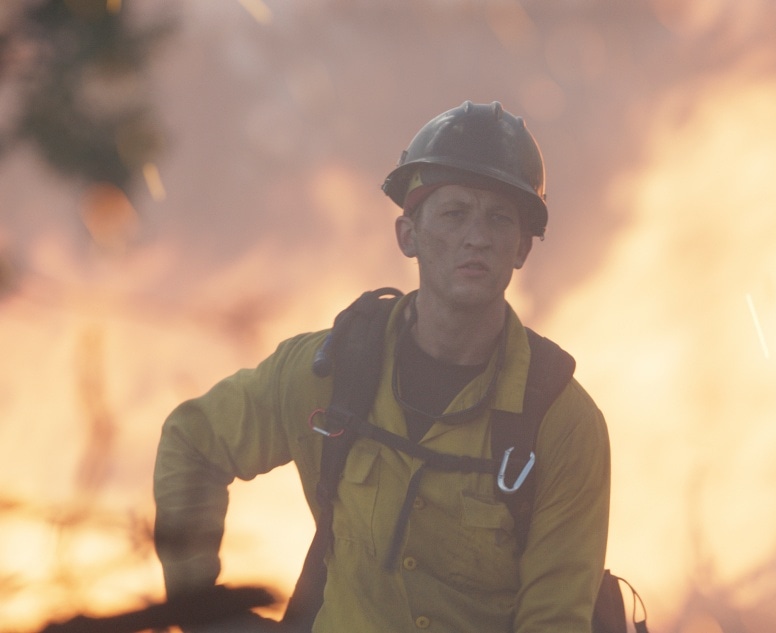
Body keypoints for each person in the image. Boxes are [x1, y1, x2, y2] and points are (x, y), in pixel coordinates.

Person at [153, 101, 611, 632]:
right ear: (407, 236)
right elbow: (194, 439)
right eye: (454, 212)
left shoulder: (560, 424)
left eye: (499, 217)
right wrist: (201, 614)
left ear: (522, 249)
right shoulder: (329, 374)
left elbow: (555, 620)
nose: (478, 236)